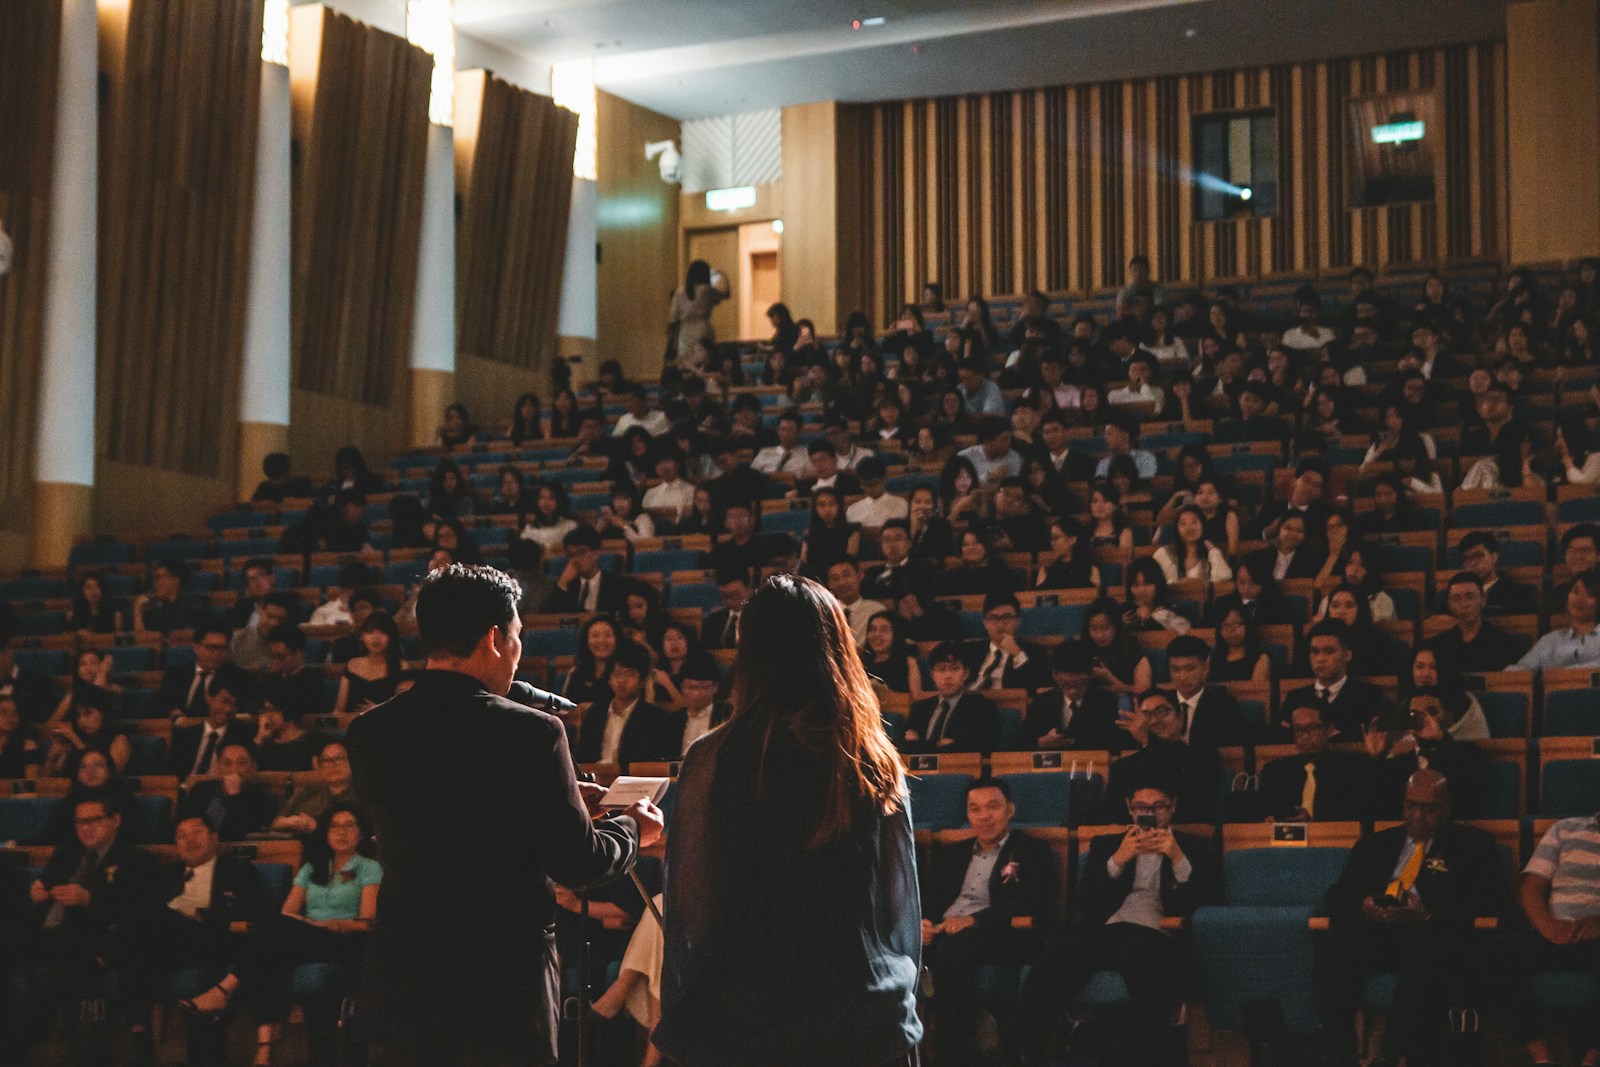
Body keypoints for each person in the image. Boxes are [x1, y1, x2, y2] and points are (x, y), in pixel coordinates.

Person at [345, 564, 662, 1065]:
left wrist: (549, 795)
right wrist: (632, 828)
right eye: (517, 635)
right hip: (499, 985)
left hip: (403, 978)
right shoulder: (532, 732)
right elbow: (578, 864)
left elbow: (441, 816)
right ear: (495, 637)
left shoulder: (370, 731)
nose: (518, 649)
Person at [657, 574, 922, 1067]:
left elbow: (692, 908)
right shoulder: (872, 755)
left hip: (746, 1010)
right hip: (858, 1006)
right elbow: (897, 901)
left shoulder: (711, 755)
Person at [1018, 776, 1216, 1066]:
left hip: (1156, 933)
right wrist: (1118, 860)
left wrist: (1177, 858)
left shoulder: (1193, 847)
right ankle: (1029, 1048)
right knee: (1056, 955)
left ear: (1172, 808)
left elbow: (1205, 902)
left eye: (1157, 806)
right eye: (1140, 807)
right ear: (1129, 808)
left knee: (1139, 956)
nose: (1148, 814)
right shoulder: (1107, 845)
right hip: (1105, 932)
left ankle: (1150, 1056)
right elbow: (1085, 902)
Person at [1316, 769, 1503, 1067]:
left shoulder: (1473, 845)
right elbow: (1336, 896)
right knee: (1335, 943)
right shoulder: (1375, 844)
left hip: (1430, 930)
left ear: (1447, 807)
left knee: (1430, 948)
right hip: (1378, 929)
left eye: (1428, 808)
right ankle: (1339, 1052)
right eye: (1411, 806)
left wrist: (1429, 914)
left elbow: (1489, 902)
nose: (1417, 816)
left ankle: (1394, 1050)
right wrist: (1363, 905)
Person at [8, 796, 160, 1063]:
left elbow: (136, 914)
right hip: (43, 937)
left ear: (115, 821)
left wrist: (88, 899)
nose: (86, 828)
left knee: (75, 971)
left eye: (94, 820)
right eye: (80, 822)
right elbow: (42, 889)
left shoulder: (134, 859)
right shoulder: (66, 854)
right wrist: (36, 892)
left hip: (90, 942)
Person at [921, 777, 1057, 1064]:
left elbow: (1031, 901)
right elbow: (931, 900)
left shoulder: (1033, 852)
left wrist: (973, 920)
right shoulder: (952, 854)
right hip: (946, 932)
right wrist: (924, 923)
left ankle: (949, 1050)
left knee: (954, 949)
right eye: (975, 809)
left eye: (992, 807)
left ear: (1011, 809)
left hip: (999, 934)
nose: (984, 816)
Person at [123, 814, 265, 1064]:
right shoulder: (164, 875)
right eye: (181, 836)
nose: (189, 841)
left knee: (150, 922)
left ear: (214, 837)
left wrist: (201, 917)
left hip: (215, 941)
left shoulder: (239, 871)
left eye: (196, 832)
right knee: (136, 928)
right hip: (168, 946)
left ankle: (139, 1030)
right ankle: (139, 1030)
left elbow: (250, 919)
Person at [1475, 808, 1600, 1067]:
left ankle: (1591, 1058)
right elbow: (1532, 887)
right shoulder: (1565, 829)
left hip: (1596, 940)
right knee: (1489, 954)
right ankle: (1540, 1054)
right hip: (1554, 931)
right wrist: (1548, 926)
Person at [1280, 620, 1397, 738]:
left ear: (1347, 655)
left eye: (1329, 651)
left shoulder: (1368, 696)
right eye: (1315, 652)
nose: (1320, 659)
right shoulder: (1295, 698)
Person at [1255, 698, 1367, 822]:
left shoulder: (1352, 768)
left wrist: (1314, 823)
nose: (1304, 735)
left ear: (1329, 730)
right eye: (1298, 729)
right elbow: (1263, 814)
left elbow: (1356, 817)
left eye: (1312, 728)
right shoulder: (1274, 771)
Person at [574, 641, 678, 766]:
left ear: (643, 681)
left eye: (629, 674)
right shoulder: (595, 713)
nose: (621, 681)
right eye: (616, 674)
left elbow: (647, 763)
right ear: (609, 679)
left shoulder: (655, 719)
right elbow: (581, 757)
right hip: (595, 779)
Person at [1021, 642, 1124, 750]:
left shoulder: (1107, 702)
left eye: (1079, 683)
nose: (1072, 690)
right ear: (1054, 675)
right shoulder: (1041, 702)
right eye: (1065, 684)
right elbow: (1022, 744)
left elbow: (1115, 745)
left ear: (1090, 675)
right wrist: (1041, 743)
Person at [904, 642, 1001, 753]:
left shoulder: (981, 706)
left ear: (965, 673)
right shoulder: (920, 708)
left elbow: (972, 747)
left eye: (954, 669)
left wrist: (919, 744)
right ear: (932, 675)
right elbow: (901, 746)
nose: (948, 676)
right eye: (941, 670)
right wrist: (938, 744)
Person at [169, 668, 255, 781]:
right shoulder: (185, 734)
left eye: (234, 705)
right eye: (224, 701)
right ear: (209, 698)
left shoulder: (242, 737)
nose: (228, 709)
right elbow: (170, 776)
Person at [179, 742, 280, 840]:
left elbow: (237, 835)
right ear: (218, 766)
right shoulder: (200, 790)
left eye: (241, 763)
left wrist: (234, 797)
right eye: (226, 763)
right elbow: (183, 826)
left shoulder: (264, 800)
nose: (234, 770)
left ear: (253, 767)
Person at [1430, 572, 1523, 675]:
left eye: (1470, 597)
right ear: (1450, 605)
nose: (1464, 605)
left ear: (1483, 600)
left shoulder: (1504, 643)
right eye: (1456, 599)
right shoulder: (1438, 645)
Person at [1164, 634, 1246, 747]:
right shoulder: (1162, 703)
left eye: (1190, 669)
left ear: (1205, 668)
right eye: (1175, 670)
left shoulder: (1222, 704)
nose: (1182, 677)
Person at [1512, 567, 1600, 670]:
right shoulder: (1550, 641)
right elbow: (1521, 670)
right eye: (1576, 592)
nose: (1580, 599)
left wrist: (1562, 673)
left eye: (1590, 594)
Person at [965, 590, 1052, 692]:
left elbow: (1036, 688)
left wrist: (1017, 654)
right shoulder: (969, 652)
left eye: (1007, 617)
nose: (1000, 625)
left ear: (1017, 621)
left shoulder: (1036, 653)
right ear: (985, 623)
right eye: (993, 618)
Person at [270, 738, 359, 836]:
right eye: (327, 760)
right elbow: (276, 822)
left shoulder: (363, 795)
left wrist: (317, 827)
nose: (333, 765)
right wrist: (291, 822)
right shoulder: (308, 792)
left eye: (339, 759)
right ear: (319, 766)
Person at [1456, 530, 1539, 616]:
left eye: (1478, 556)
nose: (1472, 564)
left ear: (1494, 557)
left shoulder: (1517, 595)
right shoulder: (1453, 596)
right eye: (1467, 559)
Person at [553, 524, 629, 614]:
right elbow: (550, 619)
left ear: (597, 553)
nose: (575, 560)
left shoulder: (618, 584)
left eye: (581, 552)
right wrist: (563, 583)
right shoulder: (563, 585)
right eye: (570, 555)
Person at [669, 259, 726, 361]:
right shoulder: (707, 290)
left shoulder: (679, 291)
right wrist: (722, 275)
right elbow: (726, 294)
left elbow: (673, 318)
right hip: (702, 328)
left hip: (684, 331)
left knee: (686, 363)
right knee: (704, 361)